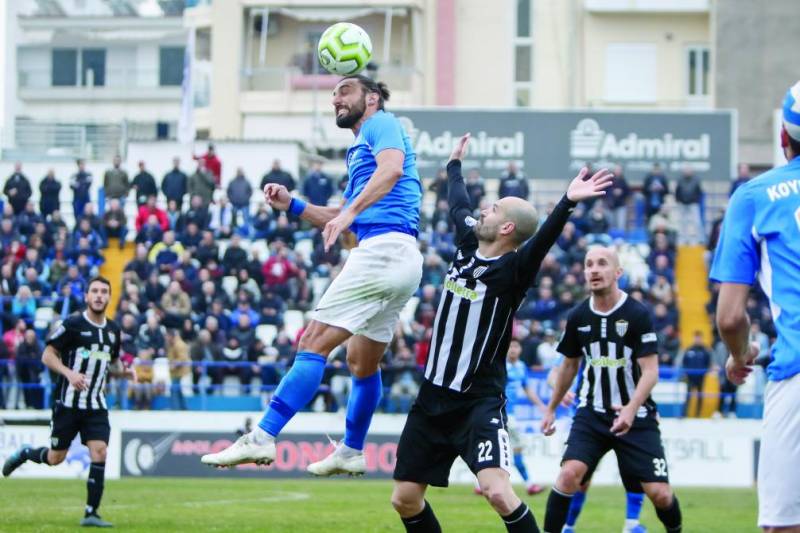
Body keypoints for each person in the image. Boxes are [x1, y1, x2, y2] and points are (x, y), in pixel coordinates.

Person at [201, 75, 424, 476]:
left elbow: (389, 173)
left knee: (312, 342)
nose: (335, 99)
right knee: (362, 362)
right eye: (333, 94)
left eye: (344, 91)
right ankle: (352, 450)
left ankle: (262, 437)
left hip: (383, 252)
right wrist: (293, 204)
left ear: (371, 98)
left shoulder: (382, 123)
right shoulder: (361, 149)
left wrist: (350, 213)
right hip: (400, 257)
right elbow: (344, 219)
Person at [390, 133, 612, 533]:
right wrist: (454, 165)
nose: (482, 212)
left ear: (507, 226)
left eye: (491, 209)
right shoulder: (466, 243)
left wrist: (567, 202)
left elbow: (543, 241)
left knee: (497, 491)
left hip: (477, 402)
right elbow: (457, 202)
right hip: (431, 398)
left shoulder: (513, 271)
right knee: (404, 499)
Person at [709, 81, 800, 533]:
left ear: (783, 140)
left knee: (783, 525)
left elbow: (729, 316)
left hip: (797, 370)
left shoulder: (754, 196)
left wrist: (739, 353)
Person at [541, 246, 682, 533]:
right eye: (589, 264)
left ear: (618, 272)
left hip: (636, 415)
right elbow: (568, 367)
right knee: (569, 475)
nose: (594, 269)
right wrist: (551, 408)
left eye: (602, 264)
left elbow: (651, 371)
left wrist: (631, 409)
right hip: (591, 414)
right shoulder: (578, 316)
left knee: (661, 494)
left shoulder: (637, 313)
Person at [2, 276, 135, 528]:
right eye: (94, 291)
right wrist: (69, 373)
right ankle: (25, 454)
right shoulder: (73, 324)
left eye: (103, 292)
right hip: (68, 404)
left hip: (96, 405)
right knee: (55, 458)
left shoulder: (113, 331)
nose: (98, 295)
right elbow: (47, 355)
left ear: (109, 297)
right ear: (86, 296)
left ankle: (91, 513)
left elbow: (111, 362)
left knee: (100, 451)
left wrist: (125, 371)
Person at [547, 356, 648, 533]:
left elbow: (645, 373)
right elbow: (554, 373)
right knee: (580, 479)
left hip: (625, 414)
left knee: (634, 469)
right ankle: (568, 527)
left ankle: (632, 523)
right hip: (587, 418)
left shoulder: (630, 334)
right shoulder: (580, 333)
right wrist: (560, 388)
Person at [680, 331, 711, 418]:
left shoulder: (705, 351)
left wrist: (704, 372)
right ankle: (684, 414)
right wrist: (686, 373)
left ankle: (698, 415)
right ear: (694, 338)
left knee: (700, 396)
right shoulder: (689, 349)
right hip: (690, 378)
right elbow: (684, 362)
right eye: (696, 337)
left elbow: (708, 363)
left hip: (701, 378)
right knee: (688, 396)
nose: (697, 339)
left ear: (701, 339)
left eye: (699, 338)